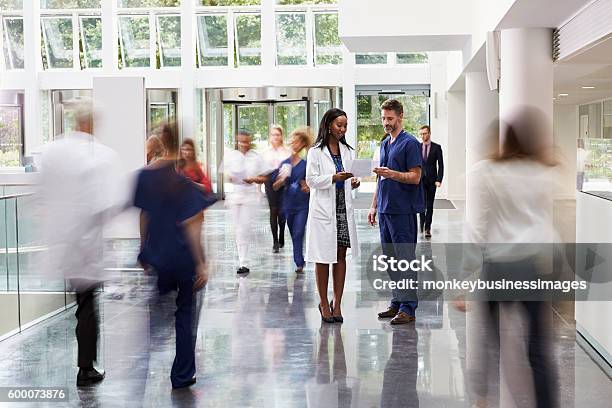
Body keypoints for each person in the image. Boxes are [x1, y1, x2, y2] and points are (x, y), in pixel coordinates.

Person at [457, 107, 559, 408]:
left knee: (487, 343)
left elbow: (476, 227)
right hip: (533, 267)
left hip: (499, 266)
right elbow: (544, 224)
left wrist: (466, 277)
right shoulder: (542, 172)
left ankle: (483, 399)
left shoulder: (486, 171)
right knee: (539, 351)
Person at [39, 102, 122, 386]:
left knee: (81, 304)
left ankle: (86, 365)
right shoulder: (100, 156)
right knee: (87, 307)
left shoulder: (52, 150)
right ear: (91, 125)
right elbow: (106, 205)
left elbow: (44, 193)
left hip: (62, 244)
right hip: (85, 247)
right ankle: (85, 368)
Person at [134, 123, 213, 389]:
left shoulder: (144, 177)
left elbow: (144, 215)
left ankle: (140, 367)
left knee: (156, 313)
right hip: (182, 257)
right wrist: (201, 263)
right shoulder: (183, 184)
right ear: (178, 144)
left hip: (158, 254)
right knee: (185, 313)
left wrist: (143, 248)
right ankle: (182, 374)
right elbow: (192, 226)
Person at [368, 99, 424, 325]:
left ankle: (408, 308)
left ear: (400, 117)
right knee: (391, 260)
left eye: (390, 119)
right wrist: (373, 205)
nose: (386, 123)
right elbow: (380, 178)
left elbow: (416, 177)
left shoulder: (410, 143)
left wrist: (393, 174)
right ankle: (397, 301)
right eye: (383, 118)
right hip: (385, 209)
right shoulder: (384, 144)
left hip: (403, 211)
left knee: (404, 260)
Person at [305, 108, 360, 324]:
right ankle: (322, 302)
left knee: (340, 256)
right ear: (328, 125)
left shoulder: (348, 151)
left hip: (342, 211)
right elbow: (311, 180)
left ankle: (337, 303)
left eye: (345, 125)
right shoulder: (315, 152)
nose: (343, 129)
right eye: (339, 125)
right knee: (322, 258)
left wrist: (352, 182)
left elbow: (349, 179)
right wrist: (333, 178)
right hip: (323, 212)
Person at [224, 129, 271, 274]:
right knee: (238, 230)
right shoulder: (232, 156)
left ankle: (244, 262)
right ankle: (241, 260)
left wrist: (254, 179)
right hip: (236, 195)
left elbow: (265, 177)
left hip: (250, 197)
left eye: (246, 141)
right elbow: (226, 174)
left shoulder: (256, 157)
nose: (243, 144)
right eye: (240, 142)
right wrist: (231, 177)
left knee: (244, 229)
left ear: (250, 141)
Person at [273, 128, 313, 273]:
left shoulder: (306, 164)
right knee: (293, 232)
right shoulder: (285, 163)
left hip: (303, 203)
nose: (294, 144)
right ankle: (299, 258)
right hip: (288, 203)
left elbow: (311, 183)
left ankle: (299, 262)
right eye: (293, 141)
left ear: (302, 144)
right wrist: (282, 180)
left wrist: (307, 187)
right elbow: (275, 185)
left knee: (298, 231)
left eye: (297, 142)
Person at [263, 125, 291, 253]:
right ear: (270, 137)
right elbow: (261, 171)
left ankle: (281, 236)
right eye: (273, 134)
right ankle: (275, 241)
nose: (275, 137)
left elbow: (290, 168)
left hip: (283, 182)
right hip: (269, 183)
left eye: (278, 134)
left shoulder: (286, 151)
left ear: (281, 136)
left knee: (282, 212)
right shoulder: (265, 153)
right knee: (273, 210)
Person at [418, 125, 444, 238]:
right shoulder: (417, 147)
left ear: (429, 133)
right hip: (420, 181)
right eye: (421, 134)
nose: (423, 136)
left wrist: (439, 179)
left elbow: (441, 165)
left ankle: (428, 228)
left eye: (424, 133)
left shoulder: (437, 147)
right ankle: (421, 225)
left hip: (432, 181)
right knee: (421, 204)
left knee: (429, 205)